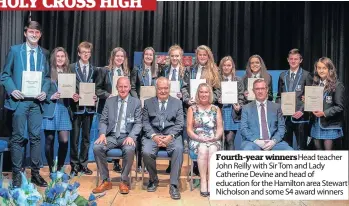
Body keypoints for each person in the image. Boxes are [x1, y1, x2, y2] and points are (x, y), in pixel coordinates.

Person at [0, 21, 50, 187]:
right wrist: (12, 90)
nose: (34, 34)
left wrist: (44, 90)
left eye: (37, 32)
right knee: (18, 138)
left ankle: (35, 174)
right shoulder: (15, 50)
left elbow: (48, 77)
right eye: (31, 31)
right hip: (19, 101)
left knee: (36, 138)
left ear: (40, 35)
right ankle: (16, 175)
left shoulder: (44, 53)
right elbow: (5, 75)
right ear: (25, 33)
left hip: (36, 102)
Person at [93, 77, 142, 194]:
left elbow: (138, 123)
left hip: (127, 136)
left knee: (130, 149)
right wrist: (102, 134)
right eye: (120, 86)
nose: (123, 89)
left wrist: (131, 136)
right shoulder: (109, 102)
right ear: (116, 87)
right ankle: (106, 181)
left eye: (125, 86)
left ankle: (124, 181)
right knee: (97, 147)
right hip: (112, 136)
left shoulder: (136, 102)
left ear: (130, 87)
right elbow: (103, 120)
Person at [142, 77, 184, 200]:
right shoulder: (148, 102)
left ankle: (174, 185)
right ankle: (153, 180)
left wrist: (170, 137)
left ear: (169, 89)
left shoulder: (177, 103)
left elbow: (180, 124)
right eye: (160, 88)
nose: (163, 91)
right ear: (156, 89)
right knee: (146, 152)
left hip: (171, 136)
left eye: (166, 88)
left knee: (178, 149)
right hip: (153, 135)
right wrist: (154, 136)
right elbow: (145, 122)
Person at [181, 45, 220, 175]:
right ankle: (197, 166)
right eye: (200, 55)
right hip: (193, 109)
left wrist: (209, 102)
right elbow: (184, 87)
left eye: (204, 55)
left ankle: (207, 170)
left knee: (209, 139)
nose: (202, 57)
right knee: (194, 135)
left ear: (208, 56)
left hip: (208, 111)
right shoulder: (190, 69)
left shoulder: (214, 70)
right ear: (196, 56)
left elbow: (218, 90)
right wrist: (187, 100)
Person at [96, 47, 130, 172]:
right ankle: (104, 162)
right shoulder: (105, 71)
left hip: (122, 107)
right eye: (117, 56)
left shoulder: (126, 72)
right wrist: (108, 95)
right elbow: (98, 89)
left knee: (119, 132)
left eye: (122, 56)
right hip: (107, 107)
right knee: (107, 133)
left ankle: (117, 163)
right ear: (113, 57)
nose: (119, 58)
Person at [187, 83, 223, 197]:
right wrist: (199, 138)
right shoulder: (192, 109)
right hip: (196, 139)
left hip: (213, 138)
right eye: (201, 92)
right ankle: (203, 181)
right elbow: (189, 129)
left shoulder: (216, 109)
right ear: (198, 94)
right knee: (203, 150)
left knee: (212, 149)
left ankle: (211, 180)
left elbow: (220, 128)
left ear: (210, 94)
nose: (204, 94)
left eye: (206, 92)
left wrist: (215, 137)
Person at [42, 47, 73, 175]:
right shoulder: (48, 72)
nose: (60, 58)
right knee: (49, 140)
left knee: (64, 141)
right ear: (54, 58)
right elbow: (41, 90)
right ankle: (51, 169)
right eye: (58, 56)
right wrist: (51, 97)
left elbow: (71, 91)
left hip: (64, 109)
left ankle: (59, 168)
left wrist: (74, 96)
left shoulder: (69, 73)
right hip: (50, 108)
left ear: (65, 58)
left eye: (62, 56)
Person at [69, 41, 98, 177]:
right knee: (74, 138)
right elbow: (67, 86)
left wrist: (96, 97)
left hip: (89, 109)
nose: (86, 54)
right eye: (83, 52)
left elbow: (96, 88)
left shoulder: (94, 69)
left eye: (88, 52)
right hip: (76, 108)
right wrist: (71, 95)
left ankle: (83, 164)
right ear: (79, 53)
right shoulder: (71, 68)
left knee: (86, 138)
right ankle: (74, 165)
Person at [240, 79, 293, 150]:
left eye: (262, 88)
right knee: (247, 150)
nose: (260, 91)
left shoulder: (276, 107)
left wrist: (274, 141)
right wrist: (256, 141)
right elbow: (244, 128)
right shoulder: (246, 108)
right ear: (253, 91)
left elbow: (281, 127)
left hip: (273, 142)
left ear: (267, 90)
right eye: (257, 89)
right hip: (253, 142)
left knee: (289, 151)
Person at [276, 49, 313, 150]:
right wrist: (280, 109)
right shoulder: (283, 75)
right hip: (286, 117)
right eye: (291, 59)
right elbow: (279, 96)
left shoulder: (307, 75)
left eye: (296, 59)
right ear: (288, 60)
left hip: (301, 118)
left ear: (300, 60)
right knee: (287, 147)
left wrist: (302, 111)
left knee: (302, 147)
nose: (293, 61)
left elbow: (311, 97)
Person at [130, 47, 158, 173]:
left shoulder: (158, 70)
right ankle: (139, 163)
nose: (148, 56)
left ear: (153, 57)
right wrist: (138, 101)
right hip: (140, 106)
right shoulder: (137, 69)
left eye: (150, 55)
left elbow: (160, 87)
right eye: (146, 54)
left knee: (150, 134)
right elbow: (132, 87)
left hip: (153, 107)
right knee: (140, 134)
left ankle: (149, 162)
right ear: (143, 56)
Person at [159, 44, 186, 173]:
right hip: (165, 105)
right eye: (173, 56)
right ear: (169, 57)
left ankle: (175, 165)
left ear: (181, 57)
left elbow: (188, 88)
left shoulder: (185, 71)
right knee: (166, 131)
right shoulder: (164, 70)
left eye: (177, 56)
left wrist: (183, 94)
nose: (175, 58)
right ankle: (170, 163)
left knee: (176, 133)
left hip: (179, 106)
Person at [309, 57, 345, 150]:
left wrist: (324, 113)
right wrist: (308, 101)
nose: (321, 70)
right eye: (319, 68)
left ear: (330, 69)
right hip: (316, 123)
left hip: (329, 124)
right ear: (316, 69)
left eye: (324, 68)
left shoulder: (337, 85)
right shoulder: (315, 84)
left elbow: (340, 107)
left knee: (327, 154)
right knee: (319, 153)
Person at [218, 56, 245, 150]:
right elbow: (213, 94)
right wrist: (218, 99)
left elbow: (241, 96)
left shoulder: (238, 80)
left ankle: (230, 163)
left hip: (232, 112)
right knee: (221, 141)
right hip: (220, 112)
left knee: (229, 139)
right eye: (224, 65)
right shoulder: (216, 80)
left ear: (232, 66)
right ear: (221, 67)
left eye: (228, 65)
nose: (226, 67)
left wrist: (239, 106)